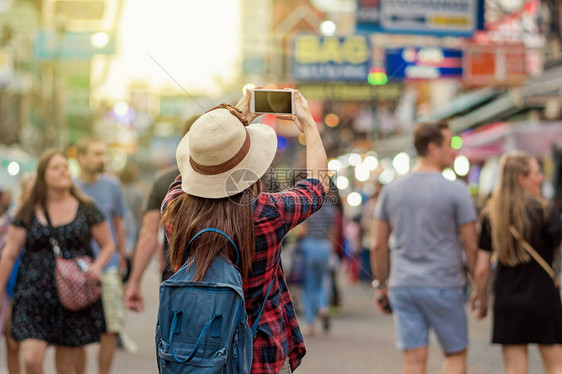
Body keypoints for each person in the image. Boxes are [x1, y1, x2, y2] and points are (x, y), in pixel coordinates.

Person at [161, 89, 329, 373]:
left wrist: (229, 129)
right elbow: (317, 187)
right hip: (258, 353)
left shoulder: (175, 212)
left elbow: (188, 175)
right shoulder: (267, 213)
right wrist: (309, 125)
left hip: (195, 354)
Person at [371, 121, 479, 374]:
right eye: (449, 145)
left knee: (414, 361)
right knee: (455, 355)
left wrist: (381, 285)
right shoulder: (457, 190)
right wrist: (477, 283)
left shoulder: (391, 190)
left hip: (404, 286)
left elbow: (378, 244)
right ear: (433, 148)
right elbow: (471, 245)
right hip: (444, 284)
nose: (453, 151)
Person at [0, 149, 115, 374]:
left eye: (65, 166)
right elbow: (10, 254)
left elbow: (108, 244)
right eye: (56, 167)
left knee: (66, 367)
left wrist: (97, 266)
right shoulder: (28, 210)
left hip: (72, 293)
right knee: (32, 360)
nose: (63, 171)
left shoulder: (87, 208)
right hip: (33, 293)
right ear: (43, 175)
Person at [472, 151, 562, 373]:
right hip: (544, 297)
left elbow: (482, 269)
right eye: (536, 172)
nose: (540, 177)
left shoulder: (490, 216)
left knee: (515, 369)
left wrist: (482, 301)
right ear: (522, 179)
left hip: (508, 300)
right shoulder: (545, 212)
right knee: (556, 365)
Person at [125, 116, 199, 312]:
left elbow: (148, 234)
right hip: (226, 281)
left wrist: (134, 282)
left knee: (175, 339)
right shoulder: (236, 181)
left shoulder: (165, 180)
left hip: (175, 278)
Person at [74, 137, 128, 374]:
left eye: (103, 154)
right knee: (77, 329)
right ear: (81, 157)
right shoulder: (70, 187)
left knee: (111, 325)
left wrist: (123, 254)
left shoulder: (112, 185)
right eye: (96, 154)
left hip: (109, 265)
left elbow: (119, 222)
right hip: (76, 269)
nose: (102, 159)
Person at [298, 202, 337, 336]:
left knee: (309, 287)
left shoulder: (307, 208)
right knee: (321, 283)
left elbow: (303, 231)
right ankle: (323, 308)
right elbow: (333, 232)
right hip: (324, 247)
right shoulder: (330, 210)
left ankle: (310, 323)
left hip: (309, 246)